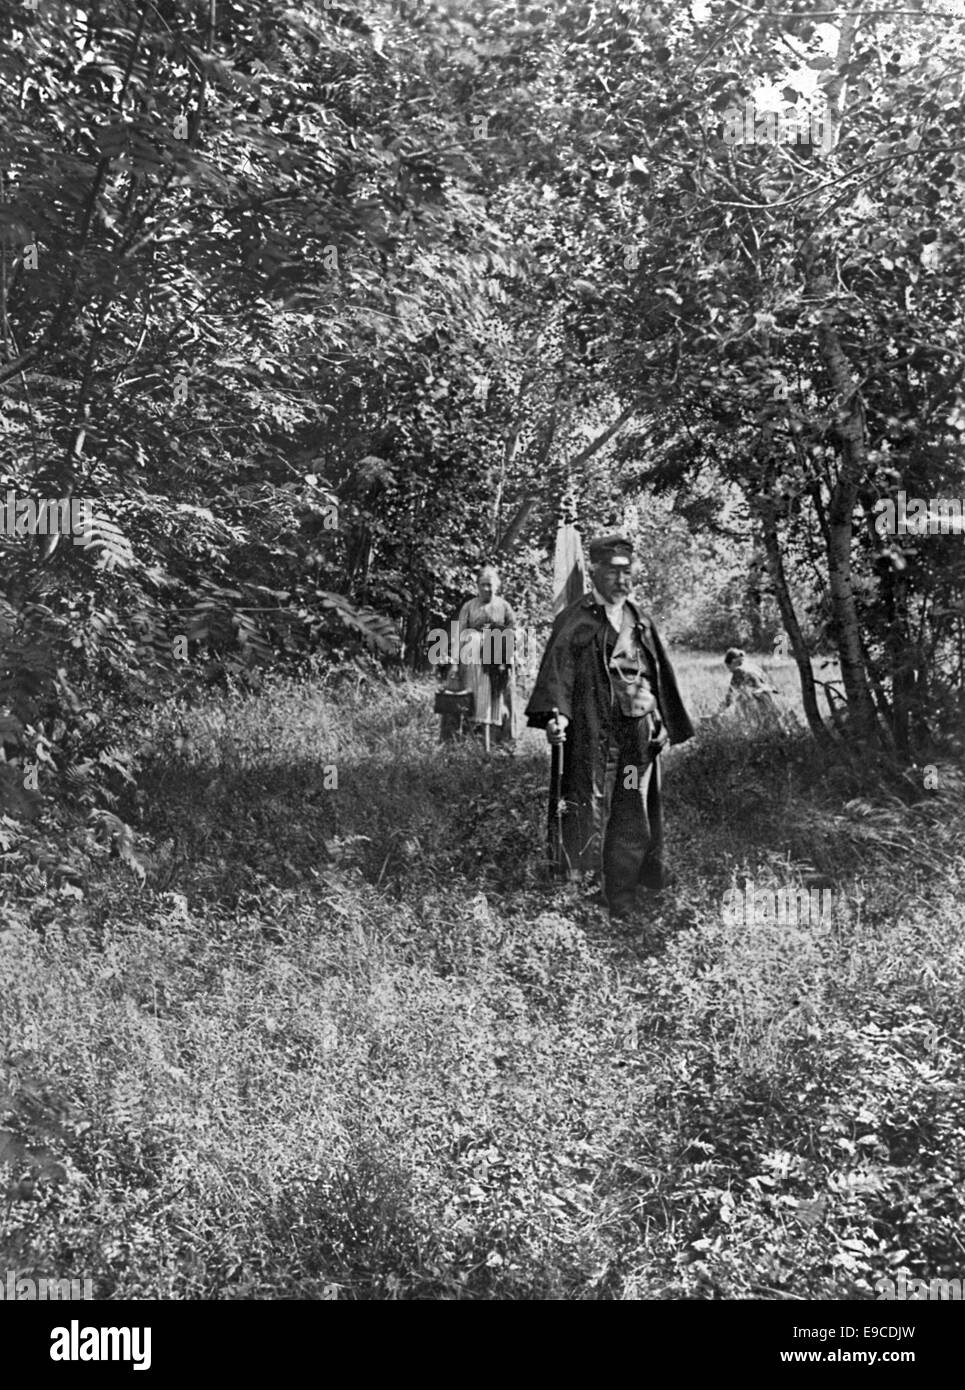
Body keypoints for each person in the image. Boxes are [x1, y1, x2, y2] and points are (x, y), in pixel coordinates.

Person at [525, 534, 694, 921]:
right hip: (590, 734)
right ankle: (580, 891)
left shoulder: (640, 621)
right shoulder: (576, 618)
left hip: (635, 741)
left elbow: (657, 675)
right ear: (596, 573)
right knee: (585, 805)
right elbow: (558, 675)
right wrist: (557, 717)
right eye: (614, 572)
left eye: (628, 571)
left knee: (631, 805)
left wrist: (664, 721)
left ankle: (623, 893)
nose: (622, 580)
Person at [441, 565, 520, 747]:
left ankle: (497, 741)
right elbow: (459, 634)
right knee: (470, 698)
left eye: (490, 585)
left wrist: (501, 641)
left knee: (495, 699)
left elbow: (514, 631)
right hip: (471, 661)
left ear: (497, 586)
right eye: (483, 585)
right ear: (477, 586)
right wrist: (454, 665)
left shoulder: (504, 606)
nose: (487, 589)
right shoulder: (469, 606)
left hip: (497, 660)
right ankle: (466, 741)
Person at [721, 647, 780, 722]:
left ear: (733, 662)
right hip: (768, 697)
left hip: (757, 700)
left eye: (728, 667)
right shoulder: (752, 667)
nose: (729, 670)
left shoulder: (738, 671)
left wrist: (720, 711)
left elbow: (730, 694)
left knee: (740, 702)